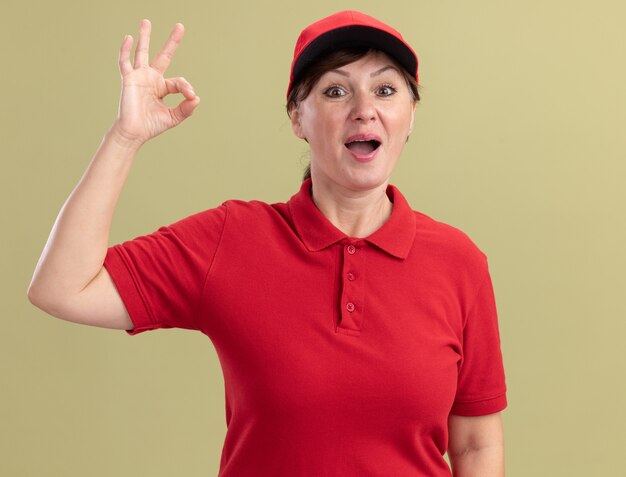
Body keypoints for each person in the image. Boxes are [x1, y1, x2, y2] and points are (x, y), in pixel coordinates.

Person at [27, 10, 507, 477]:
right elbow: (62, 288)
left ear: (411, 115)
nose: (365, 110)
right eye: (336, 90)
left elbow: (476, 444)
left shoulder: (459, 262)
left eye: (385, 90)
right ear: (298, 117)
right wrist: (125, 137)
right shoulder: (231, 238)